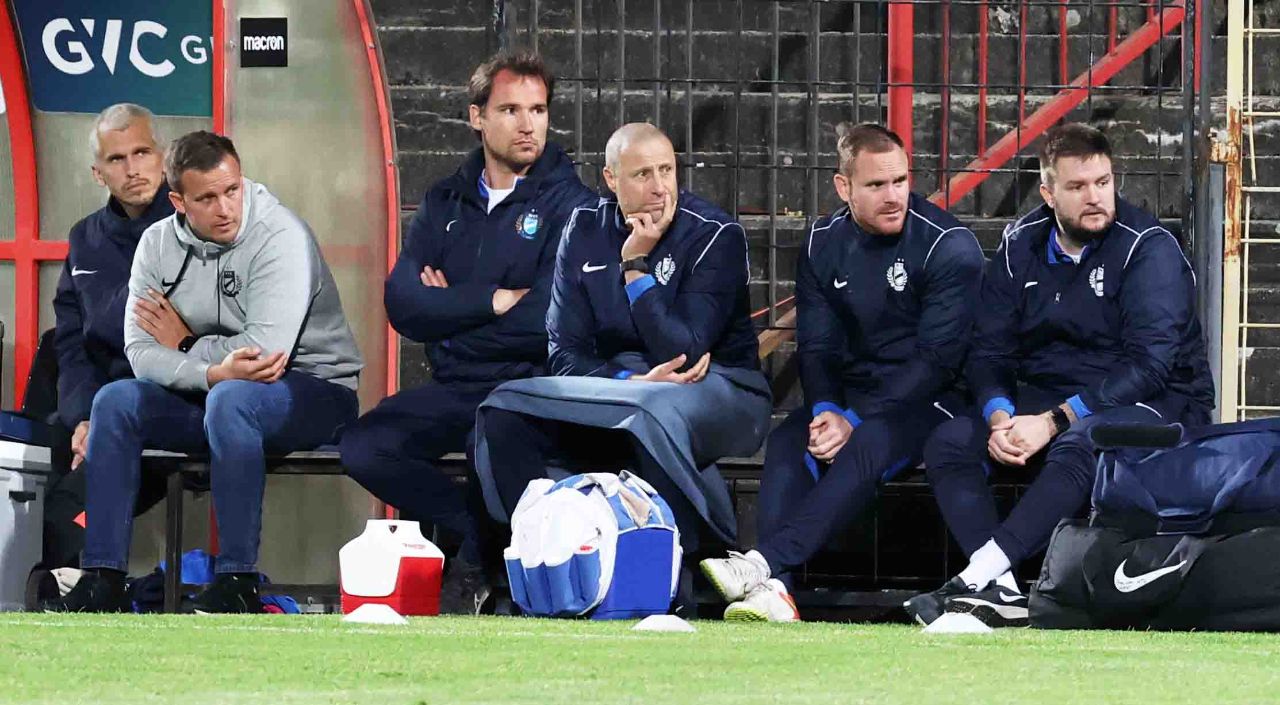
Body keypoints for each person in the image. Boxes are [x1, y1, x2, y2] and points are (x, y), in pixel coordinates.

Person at [903, 122, 1215, 628]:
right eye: (1077, 186)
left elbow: (1150, 366)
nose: (1095, 197)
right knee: (950, 442)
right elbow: (989, 351)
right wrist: (1000, 414)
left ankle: (975, 577)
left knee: (1083, 441)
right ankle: (1004, 592)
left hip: (1159, 400)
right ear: (1049, 194)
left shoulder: (1148, 248)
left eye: (1103, 182)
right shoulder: (1020, 245)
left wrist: (1053, 421)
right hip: (1050, 395)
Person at [44, 131, 364, 613]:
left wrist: (187, 344)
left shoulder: (281, 235)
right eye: (207, 198)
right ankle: (102, 577)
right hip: (216, 393)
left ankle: (237, 580)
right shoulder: (156, 244)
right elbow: (140, 352)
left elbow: (264, 354)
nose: (226, 208)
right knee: (116, 400)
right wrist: (211, 371)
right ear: (178, 201)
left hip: (313, 389)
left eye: (232, 190)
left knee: (232, 399)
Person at [337, 49, 596, 615]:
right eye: (510, 110)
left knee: (492, 437)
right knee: (363, 445)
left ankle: (476, 568)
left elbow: (545, 321)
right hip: (455, 384)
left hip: (526, 388)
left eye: (538, 110)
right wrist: (491, 301)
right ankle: (467, 534)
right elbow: (403, 303)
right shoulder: (444, 200)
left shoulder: (575, 206)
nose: (528, 124)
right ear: (477, 117)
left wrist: (449, 317)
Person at [473, 123, 772, 608]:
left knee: (650, 412)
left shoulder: (715, 235)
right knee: (506, 409)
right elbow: (564, 350)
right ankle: (544, 558)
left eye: (667, 171)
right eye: (642, 174)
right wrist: (626, 379)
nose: (659, 187)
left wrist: (635, 267)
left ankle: (679, 579)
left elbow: (684, 351)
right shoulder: (584, 229)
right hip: (621, 387)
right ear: (611, 180)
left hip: (723, 389)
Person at [698, 123, 985, 622]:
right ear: (843, 187)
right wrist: (828, 409)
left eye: (900, 181)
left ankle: (762, 564)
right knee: (790, 442)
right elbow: (818, 345)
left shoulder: (948, 246)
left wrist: (853, 419)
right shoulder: (821, 242)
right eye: (876, 185)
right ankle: (778, 594)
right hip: (856, 397)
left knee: (870, 440)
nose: (893, 196)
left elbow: (936, 362)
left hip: (934, 398)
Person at [45, 103, 179, 570]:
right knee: (42, 480)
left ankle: (88, 579)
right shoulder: (85, 239)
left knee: (66, 511)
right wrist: (85, 418)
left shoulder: (194, 228)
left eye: (142, 153)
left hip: (174, 405)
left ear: (164, 157)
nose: (132, 169)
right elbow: (71, 344)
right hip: (96, 409)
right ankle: (73, 581)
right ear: (98, 173)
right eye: (116, 159)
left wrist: (103, 419)